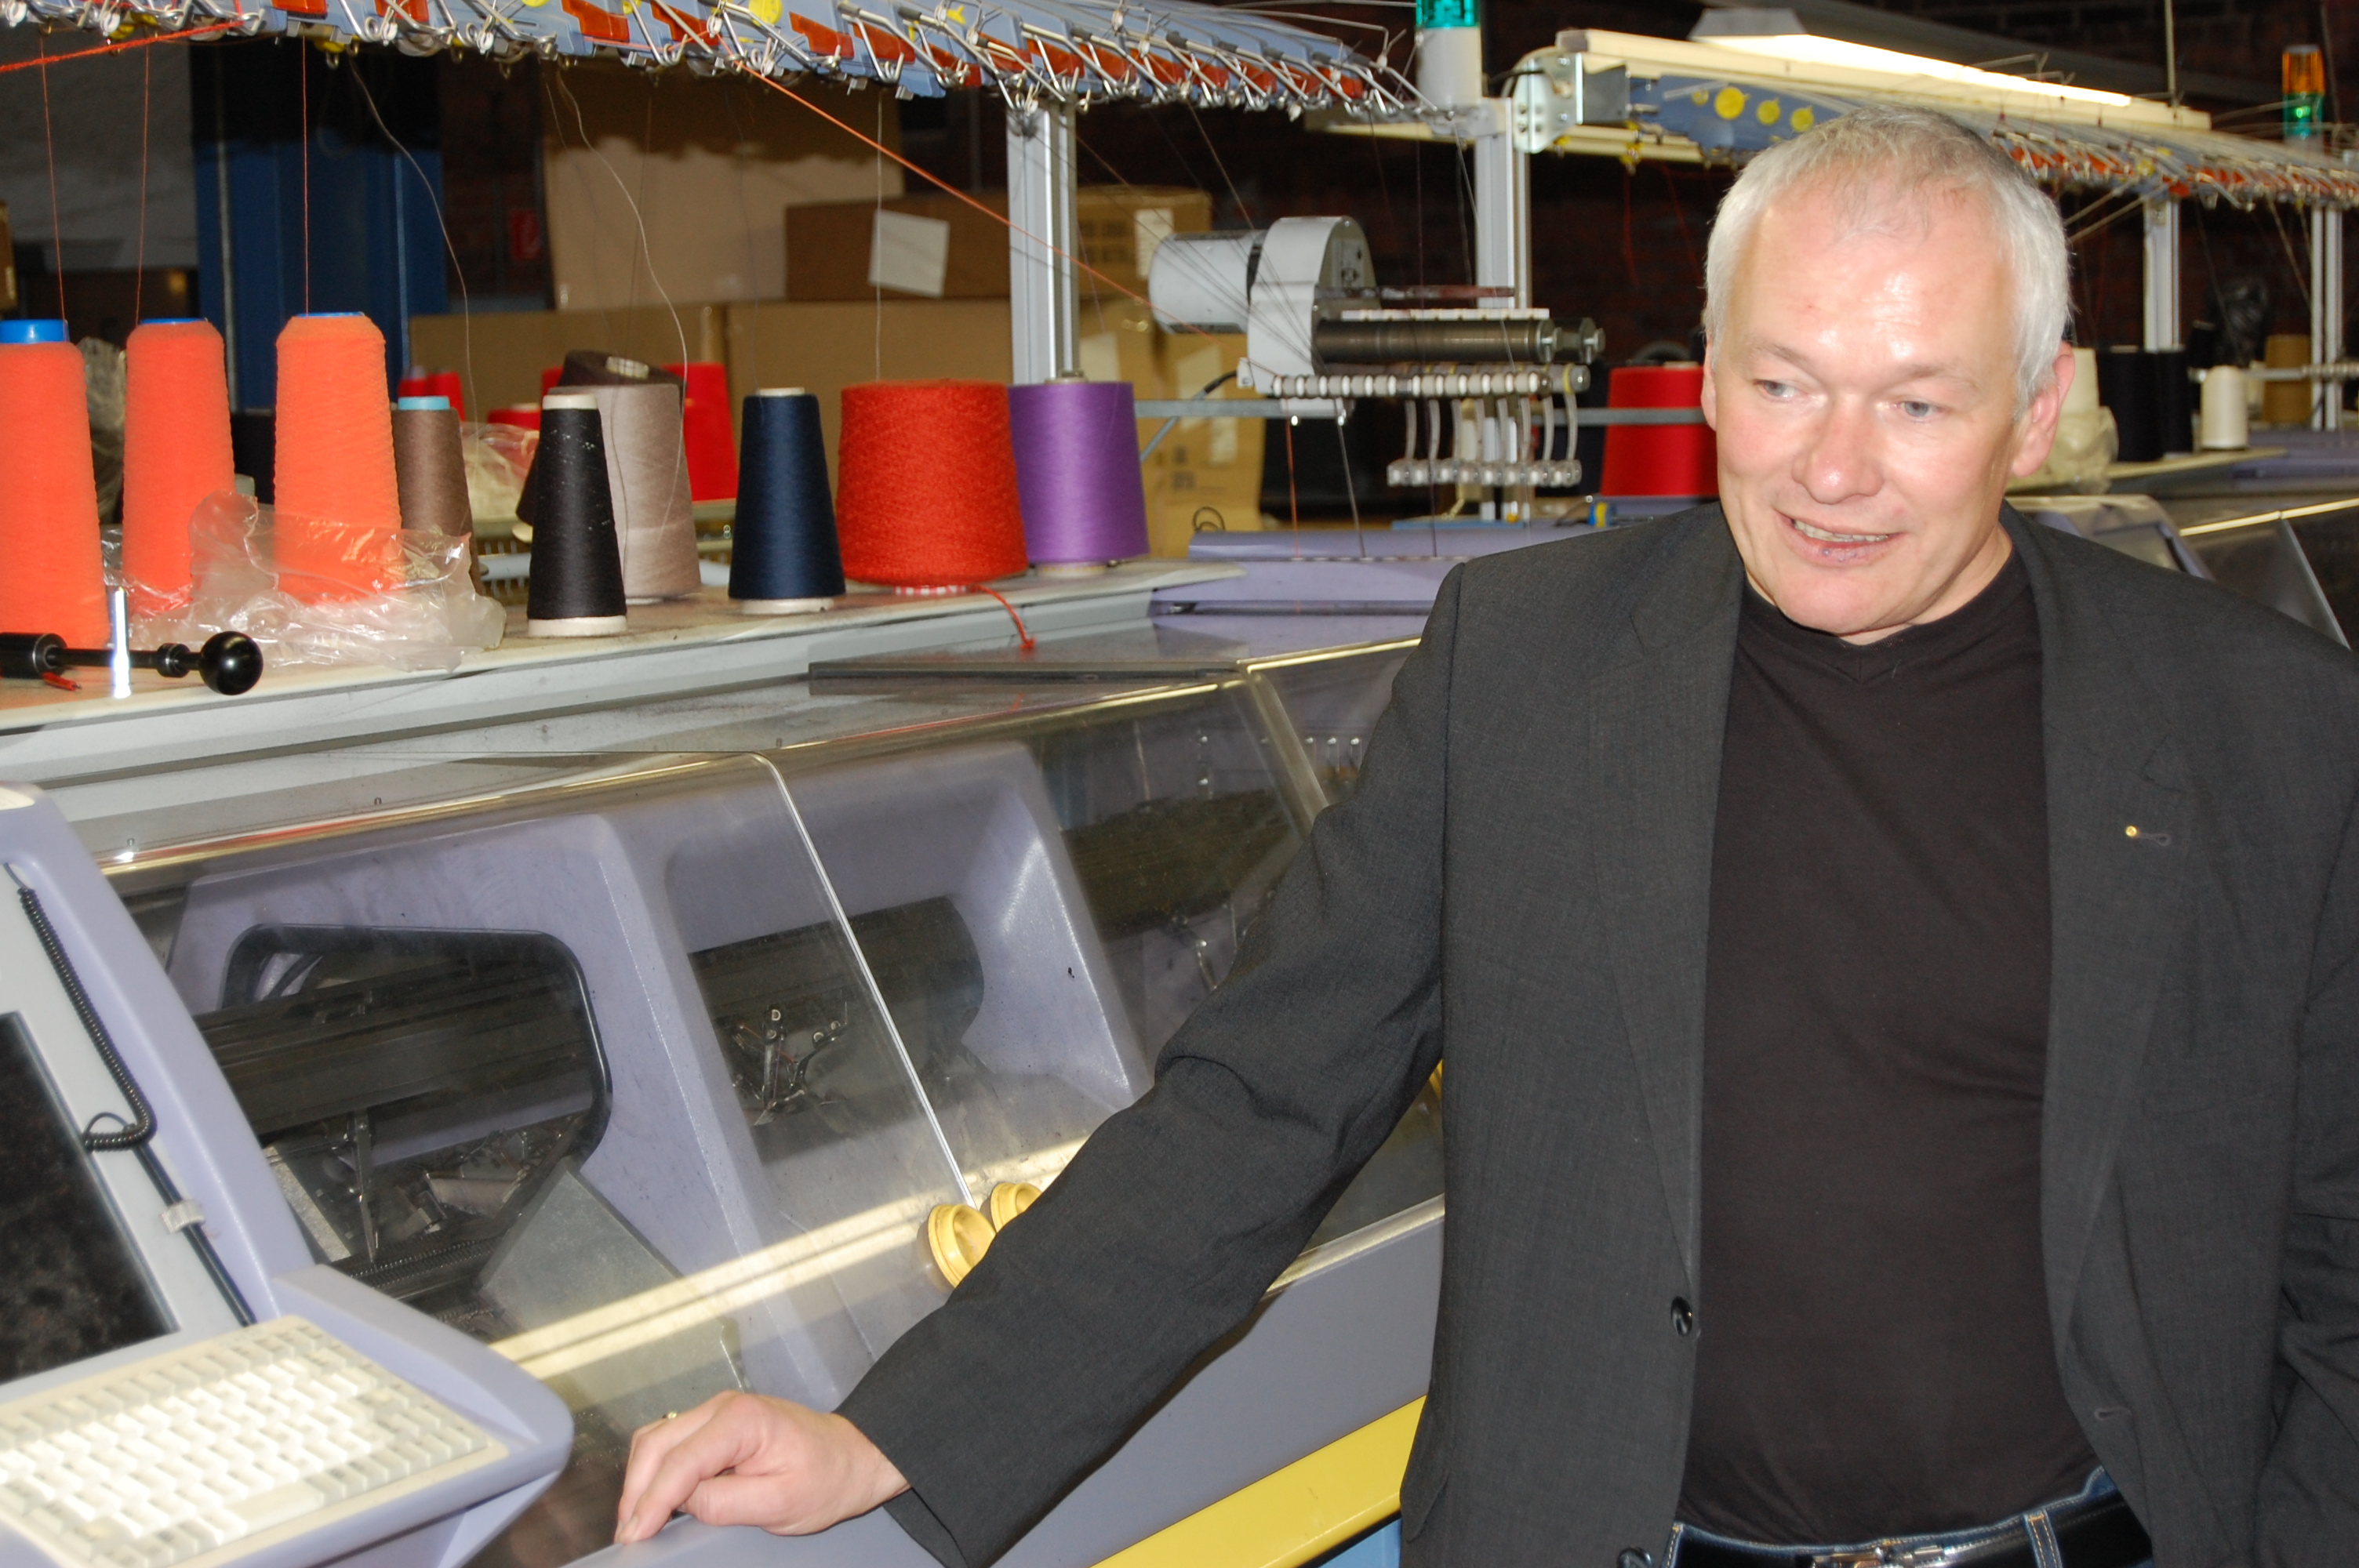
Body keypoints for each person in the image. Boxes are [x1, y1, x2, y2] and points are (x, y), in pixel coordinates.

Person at [612, 106, 2359, 1567]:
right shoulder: (1529, 669)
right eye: (1783, 383)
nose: (1832, 471)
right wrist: (897, 1434)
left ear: (2036, 410)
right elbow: (1264, 1096)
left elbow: (2344, 1261)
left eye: (1916, 402)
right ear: (1708, 373)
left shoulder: (2262, 731)